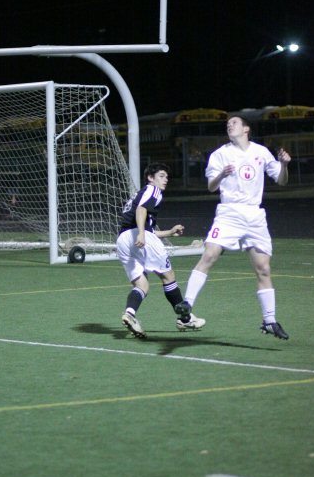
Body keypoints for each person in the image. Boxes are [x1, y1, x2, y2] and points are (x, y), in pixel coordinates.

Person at [175, 115, 291, 340]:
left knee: (263, 269)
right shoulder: (220, 154)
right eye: (228, 124)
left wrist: (285, 164)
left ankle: (269, 321)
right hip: (229, 213)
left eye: (235, 123)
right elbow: (210, 187)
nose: (230, 125)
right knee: (210, 254)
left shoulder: (261, 152)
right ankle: (187, 303)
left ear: (246, 128)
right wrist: (222, 174)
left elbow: (281, 180)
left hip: (255, 216)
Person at [117, 162, 205, 338]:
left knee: (142, 285)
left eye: (167, 177)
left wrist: (169, 232)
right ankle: (185, 318)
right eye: (162, 176)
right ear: (150, 178)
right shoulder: (153, 190)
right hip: (137, 235)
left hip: (122, 240)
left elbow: (146, 228)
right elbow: (141, 211)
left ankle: (130, 314)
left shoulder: (138, 195)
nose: (166, 180)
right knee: (168, 276)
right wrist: (141, 233)